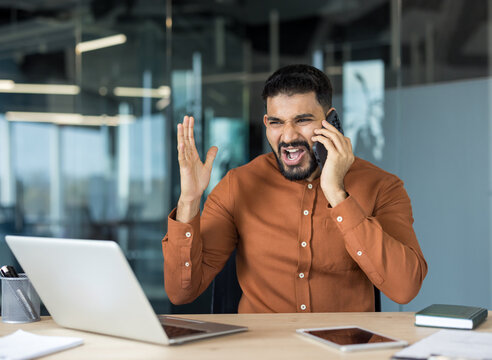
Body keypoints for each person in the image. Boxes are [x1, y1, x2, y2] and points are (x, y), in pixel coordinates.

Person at [162, 64, 427, 313]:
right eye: (276, 122)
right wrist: (189, 200)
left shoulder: (382, 186)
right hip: (263, 348)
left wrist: (337, 193)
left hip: (344, 350)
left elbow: (405, 289)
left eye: (302, 120)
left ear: (331, 121)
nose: (288, 137)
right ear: (266, 123)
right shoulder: (237, 185)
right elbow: (181, 292)